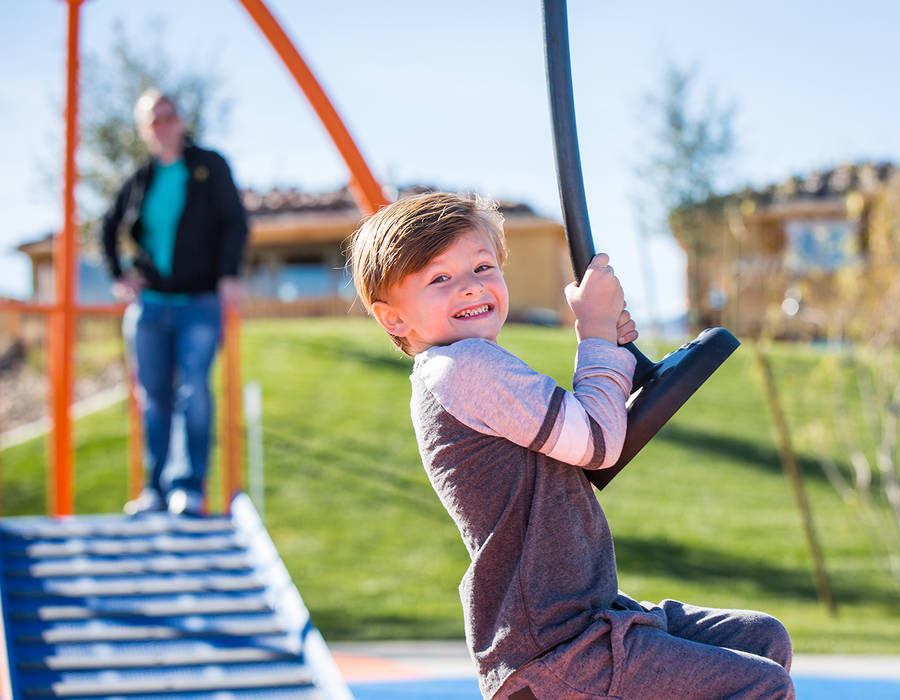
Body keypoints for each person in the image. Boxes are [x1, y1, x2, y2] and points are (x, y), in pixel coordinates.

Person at [349, 192, 794, 699]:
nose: (471, 287)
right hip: (555, 645)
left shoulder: (471, 369)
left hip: (584, 617)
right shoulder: (463, 367)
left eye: (482, 266)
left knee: (761, 640)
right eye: (440, 278)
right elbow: (598, 444)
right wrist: (597, 333)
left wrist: (614, 356)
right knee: (759, 684)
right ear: (393, 319)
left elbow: (590, 440)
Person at [101, 88, 248, 517]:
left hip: (199, 301)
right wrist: (117, 274)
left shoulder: (208, 166)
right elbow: (108, 226)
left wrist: (228, 275)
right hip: (149, 306)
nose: (162, 125)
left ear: (181, 121)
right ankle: (154, 489)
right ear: (144, 129)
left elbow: (234, 223)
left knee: (194, 391)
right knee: (153, 398)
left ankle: (188, 487)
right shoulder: (140, 178)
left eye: (168, 116)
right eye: (153, 120)